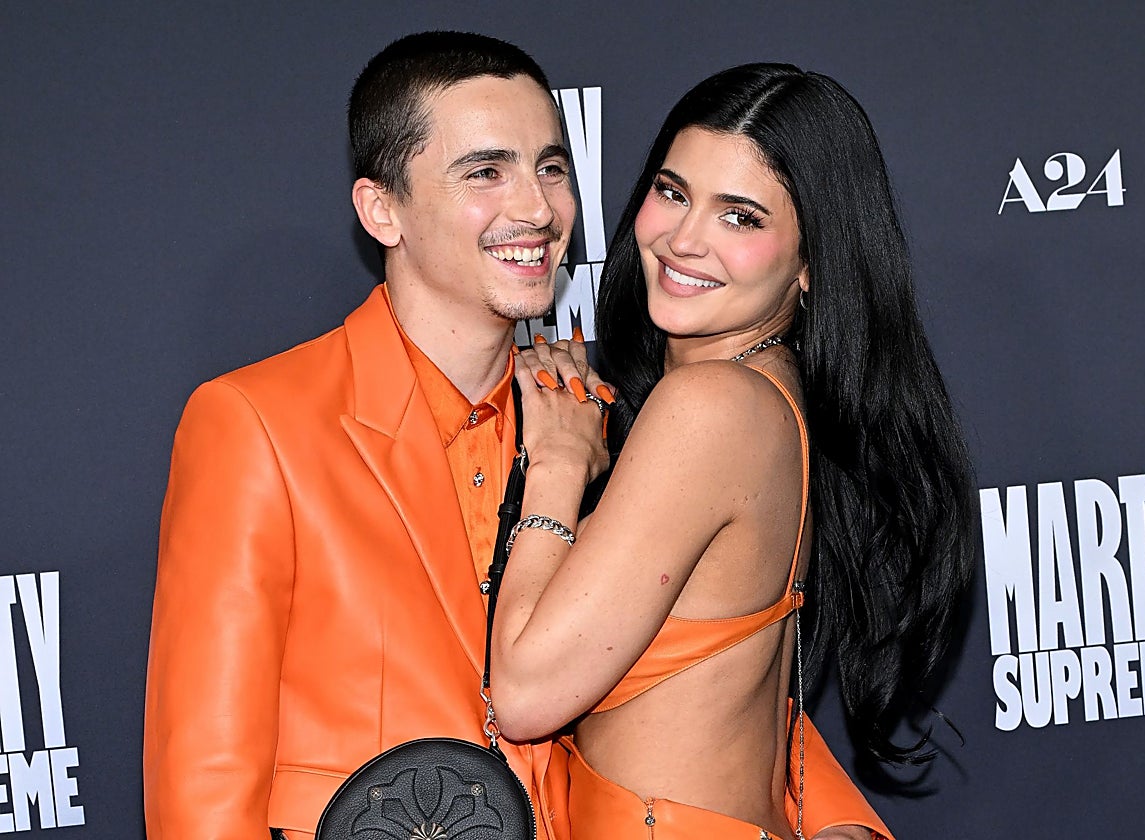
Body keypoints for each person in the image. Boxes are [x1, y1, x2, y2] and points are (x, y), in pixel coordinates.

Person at [143, 35, 889, 840]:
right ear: (382, 210)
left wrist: (834, 820)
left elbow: (697, 669)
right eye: (486, 172)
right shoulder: (258, 424)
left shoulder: (595, 416)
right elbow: (203, 787)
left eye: (552, 167)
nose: (537, 208)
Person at [491, 63, 975, 839]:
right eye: (673, 192)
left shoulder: (711, 406)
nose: (684, 241)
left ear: (812, 260)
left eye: (741, 218)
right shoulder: (770, 393)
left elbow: (523, 696)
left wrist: (556, 464)